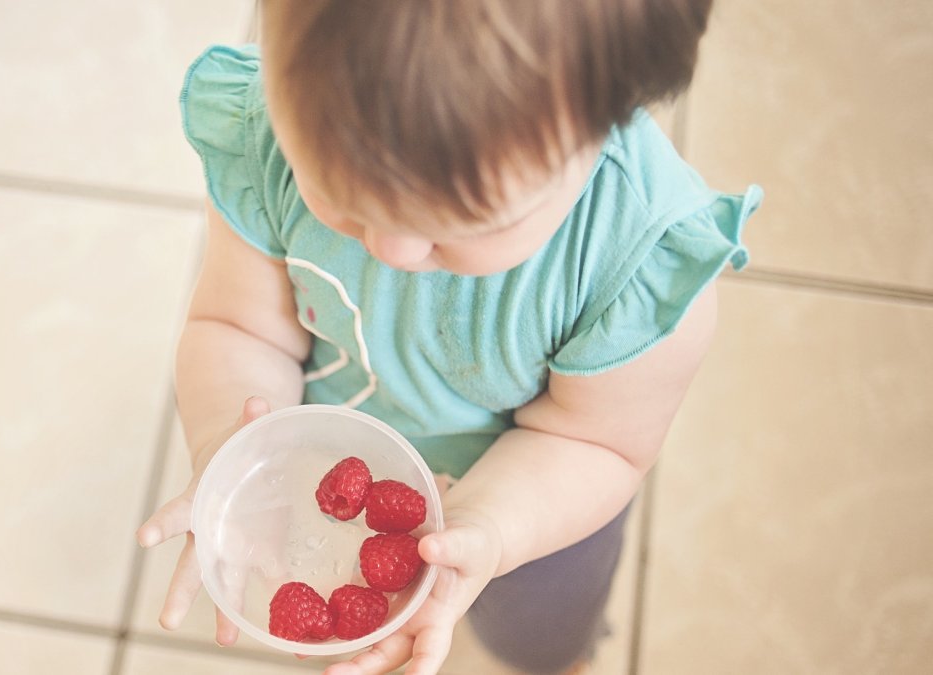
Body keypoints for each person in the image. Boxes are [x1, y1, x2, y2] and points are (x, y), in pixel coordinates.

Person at [136, 1, 760, 673]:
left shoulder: (636, 263)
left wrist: (490, 526)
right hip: (338, 448)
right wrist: (230, 444)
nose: (393, 249)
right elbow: (240, 327)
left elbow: (596, 441)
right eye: (340, 192)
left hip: (538, 505)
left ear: (606, 119)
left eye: (465, 222)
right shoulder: (268, 141)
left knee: (539, 633)